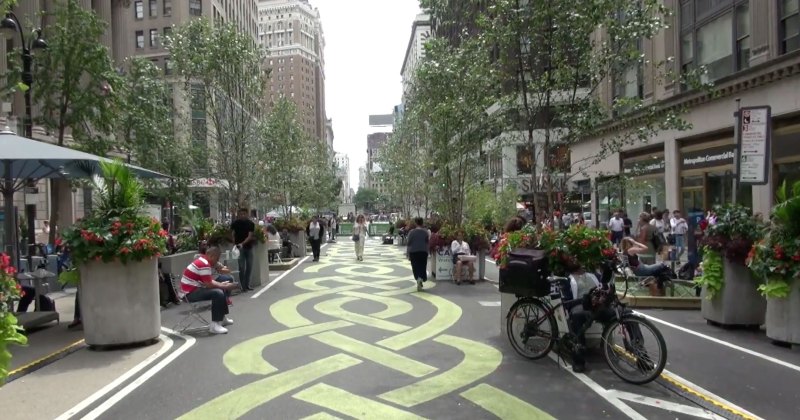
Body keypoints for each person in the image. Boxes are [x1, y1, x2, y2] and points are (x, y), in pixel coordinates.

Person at [180, 246, 238, 334]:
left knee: (226, 278)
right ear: (211, 256)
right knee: (218, 293)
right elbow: (209, 284)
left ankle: (222, 317)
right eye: (217, 258)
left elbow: (210, 281)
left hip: (198, 286)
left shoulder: (204, 260)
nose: (217, 261)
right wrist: (225, 286)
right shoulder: (204, 264)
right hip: (189, 293)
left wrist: (222, 283)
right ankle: (215, 325)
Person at [230, 208, 256, 291]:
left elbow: (250, 236)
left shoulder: (250, 224)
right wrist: (234, 243)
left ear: (247, 214)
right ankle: (242, 286)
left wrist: (242, 244)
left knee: (249, 266)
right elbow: (232, 234)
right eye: (241, 214)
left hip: (248, 247)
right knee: (241, 267)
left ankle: (247, 285)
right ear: (238, 214)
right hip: (239, 248)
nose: (242, 215)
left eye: (244, 214)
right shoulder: (235, 223)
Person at [406, 217, 430, 292]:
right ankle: (421, 279)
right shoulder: (425, 232)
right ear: (422, 223)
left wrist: (408, 253)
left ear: (416, 223)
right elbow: (427, 242)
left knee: (415, 266)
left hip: (414, 252)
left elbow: (409, 243)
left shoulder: (411, 232)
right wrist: (428, 252)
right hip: (423, 251)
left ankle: (418, 278)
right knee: (422, 266)